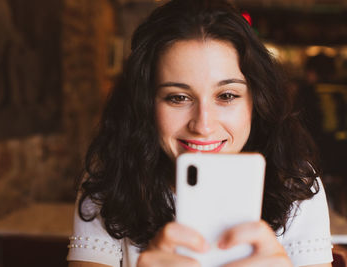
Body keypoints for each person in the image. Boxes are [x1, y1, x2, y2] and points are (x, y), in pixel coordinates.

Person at [67, 0, 333, 266]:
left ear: (257, 100)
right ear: (145, 103)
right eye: (178, 97)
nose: (203, 125)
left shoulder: (295, 183)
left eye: (227, 95)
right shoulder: (111, 180)